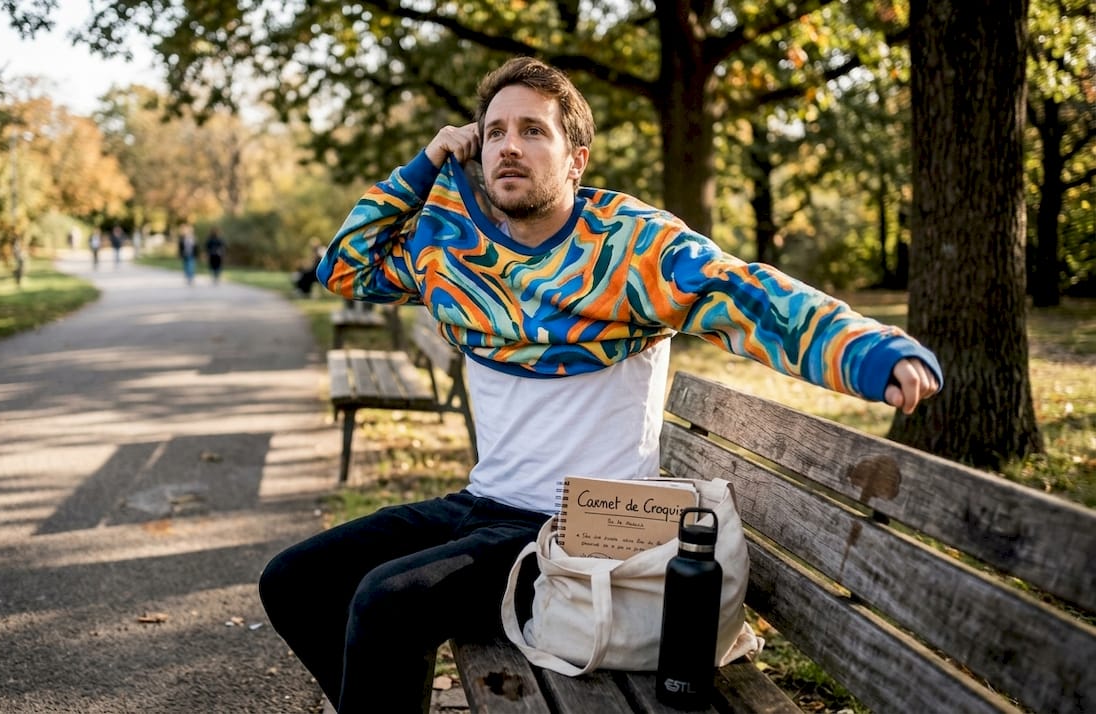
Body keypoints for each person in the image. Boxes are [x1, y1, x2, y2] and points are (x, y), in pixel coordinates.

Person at [259, 57, 942, 714]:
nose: (508, 147)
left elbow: (749, 295)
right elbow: (344, 269)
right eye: (494, 131)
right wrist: (427, 163)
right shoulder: (455, 253)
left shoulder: (631, 247)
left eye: (533, 131)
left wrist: (872, 352)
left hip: (579, 533)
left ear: (575, 159)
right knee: (294, 582)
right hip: (481, 504)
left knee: (387, 599)